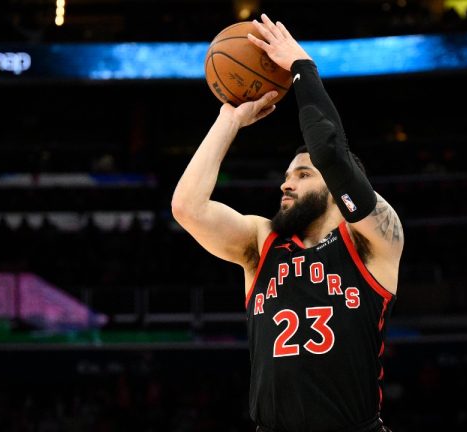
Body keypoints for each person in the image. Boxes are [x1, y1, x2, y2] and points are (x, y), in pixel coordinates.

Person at [172, 14, 403, 432]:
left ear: (335, 185)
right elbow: (187, 207)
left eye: (302, 174)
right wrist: (229, 120)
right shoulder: (262, 241)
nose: (286, 183)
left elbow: (330, 152)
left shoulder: (373, 240)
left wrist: (302, 67)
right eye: (287, 175)